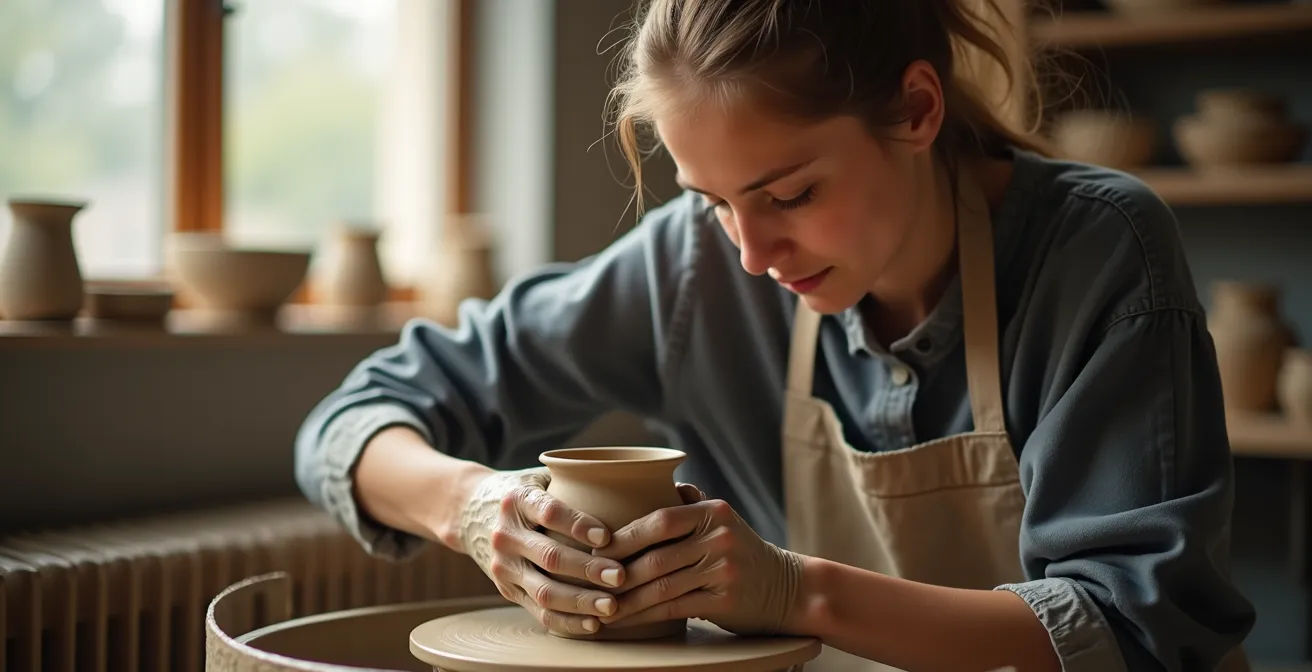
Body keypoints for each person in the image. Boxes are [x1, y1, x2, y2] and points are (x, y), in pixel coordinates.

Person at [294, 0, 1257, 669]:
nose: (752, 255)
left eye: (790, 194)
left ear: (917, 110)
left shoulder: (1096, 247)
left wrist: (793, 594)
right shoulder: (691, 268)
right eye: (713, 202)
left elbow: (1132, 632)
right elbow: (352, 420)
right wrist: (474, 509)